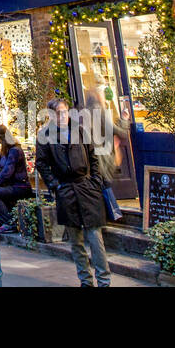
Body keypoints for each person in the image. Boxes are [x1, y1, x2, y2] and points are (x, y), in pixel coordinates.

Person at [36, 98, 111, 287]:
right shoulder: (45, 135)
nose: (61, 116)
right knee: (76, 241)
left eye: (63, 112)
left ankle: (104, 281)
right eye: (57, 113)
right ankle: (85, 280)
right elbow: (41, 164)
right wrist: (55, 185)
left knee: (95, 238)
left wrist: (95, 180)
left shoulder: (80, 130)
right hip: (66, 190)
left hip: (86, 187)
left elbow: (94, 156)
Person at [0, 125, 33, 232]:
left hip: (20, 186)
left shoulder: (15, 150)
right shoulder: (5, 151)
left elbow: (8, 171)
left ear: (1, 137)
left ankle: (10, 222)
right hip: (9, 185)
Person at [85, 90, 126, 222]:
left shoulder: (85, 114)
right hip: (102, 155)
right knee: (105, 184)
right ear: (97, 97)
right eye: (102, 95)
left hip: (92, 155)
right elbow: (120, 132)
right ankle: (115, 214)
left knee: (101, 183)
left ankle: (109, 214)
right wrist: (124, 120)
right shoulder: (100, 112)